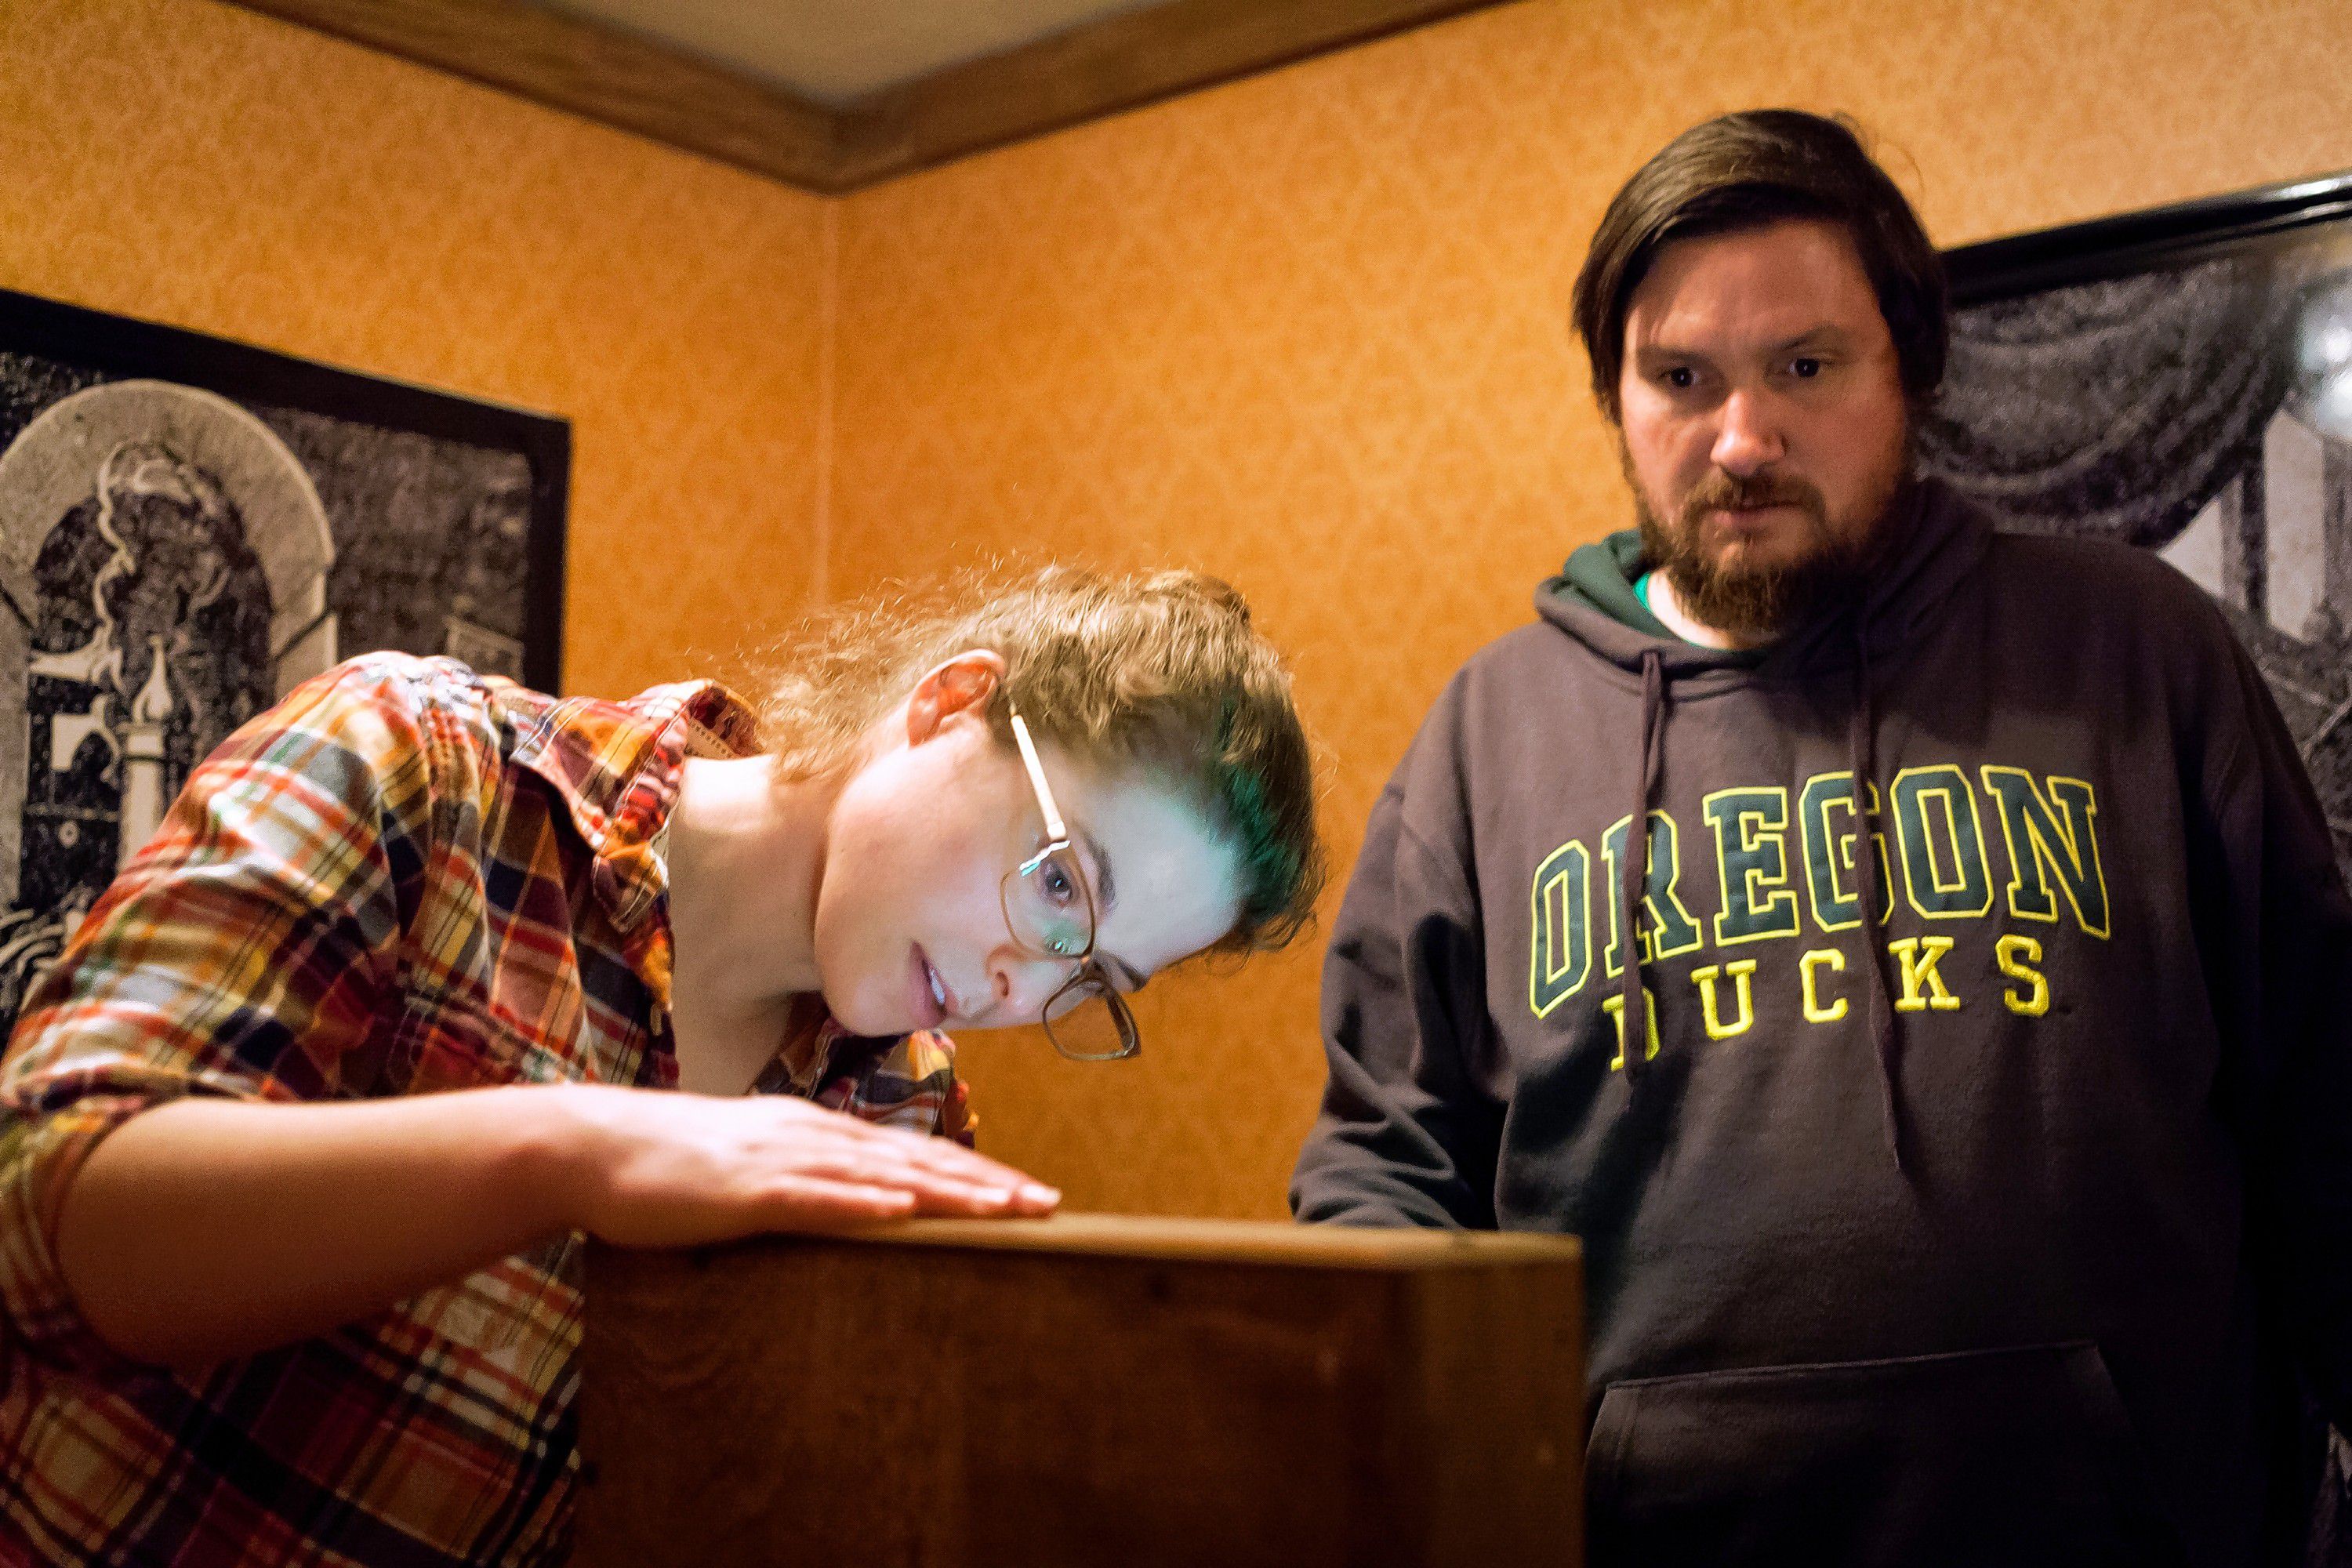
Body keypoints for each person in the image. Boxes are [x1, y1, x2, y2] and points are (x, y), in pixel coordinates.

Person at [1290, 109, 2352, 1566]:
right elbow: (1385, 1178)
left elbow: (2327, 1111)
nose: (1744, 438)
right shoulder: (1491, 734)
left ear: (1907, 369)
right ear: (1618, 400)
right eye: (1682, 379)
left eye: (1804, 366)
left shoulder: (2135, 651)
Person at [0, 563, 1323, 1566]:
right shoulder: (423, 764)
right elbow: (40, 1215)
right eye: (1057, 888)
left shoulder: (902, 1112)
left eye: (1092, 980)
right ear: (950, 707)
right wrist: (576, 1148)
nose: (1018, 986)